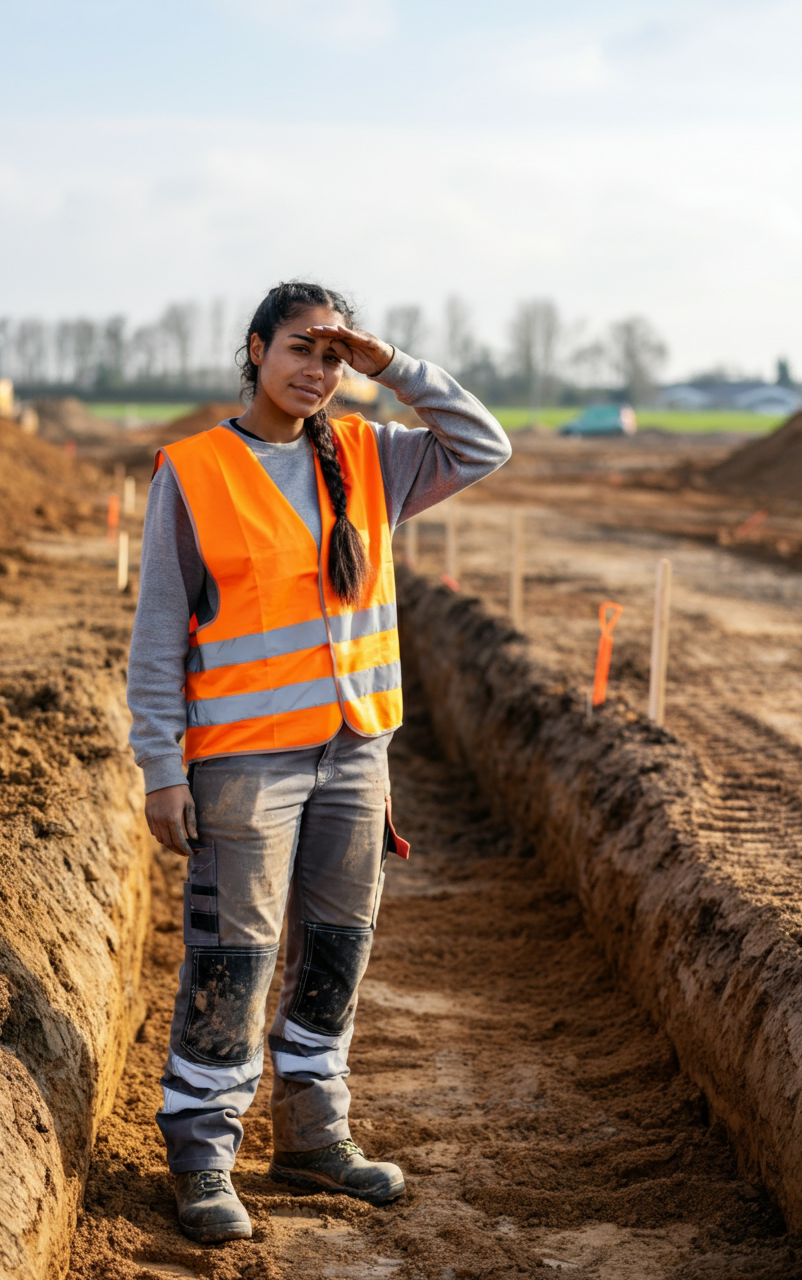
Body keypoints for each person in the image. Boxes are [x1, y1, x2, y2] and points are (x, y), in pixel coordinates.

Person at [127, 281, 511, 1243]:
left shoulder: (372, 458)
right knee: (236, 956)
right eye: (301, 348)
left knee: (336, 952)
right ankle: (204, 1156)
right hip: (246, 762)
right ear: (255, 351)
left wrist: (394, 367)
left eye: (335, 356)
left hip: (356, 754)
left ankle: (312, 1135)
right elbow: (159, 632)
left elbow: (484, 444)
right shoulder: (197, 471)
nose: (318, 370)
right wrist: (159, 767)